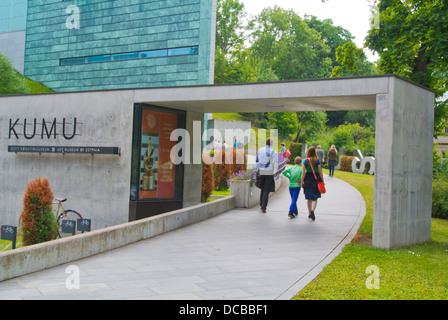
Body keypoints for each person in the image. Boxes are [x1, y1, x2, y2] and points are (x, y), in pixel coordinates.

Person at [300, 146, 324, 221]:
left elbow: (303, 173)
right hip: (316, 179)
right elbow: (320, 172)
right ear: (315, 152)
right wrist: (322, 181)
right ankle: (313, 210)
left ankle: (309, 213)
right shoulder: (317, 161)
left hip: (308, 179)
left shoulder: (305, 161)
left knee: (309, 198)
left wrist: (301, 182)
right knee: (315, 197)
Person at [256, 138, 278, 213]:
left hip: (261, 171)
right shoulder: (273, 152)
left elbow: (257, 160)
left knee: (262, 187)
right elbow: (276, 163)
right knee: (266, 190)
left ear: (266, 143)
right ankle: (263, 207)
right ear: (272, 144)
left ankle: (261, 204)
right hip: (269, 172)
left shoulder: (260, 150)